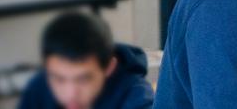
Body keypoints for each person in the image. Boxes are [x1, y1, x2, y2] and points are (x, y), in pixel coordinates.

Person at [18, 12, 153, 109]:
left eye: (83, 79)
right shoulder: (38, 87)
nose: (71, 94)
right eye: (59, 79)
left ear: (109, 67)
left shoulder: (137, 98)